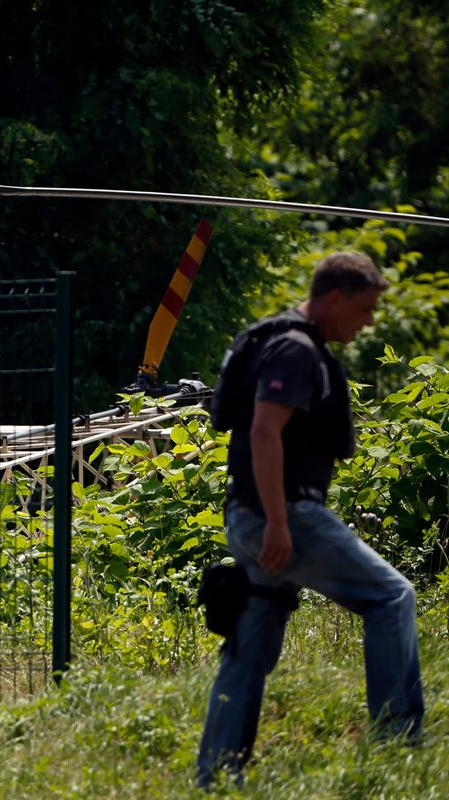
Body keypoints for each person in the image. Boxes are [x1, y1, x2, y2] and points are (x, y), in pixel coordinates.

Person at [196, 253, 424, 787]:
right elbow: (262, 433)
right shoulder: (296, 350)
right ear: (335, 298)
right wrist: (278, 521)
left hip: (257, 514)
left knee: (250, 646)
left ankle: (216, 776)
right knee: (392, 598)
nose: (367, 323)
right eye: (364, 310)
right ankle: (399, 747)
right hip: (282, 514)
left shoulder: (287, 342)